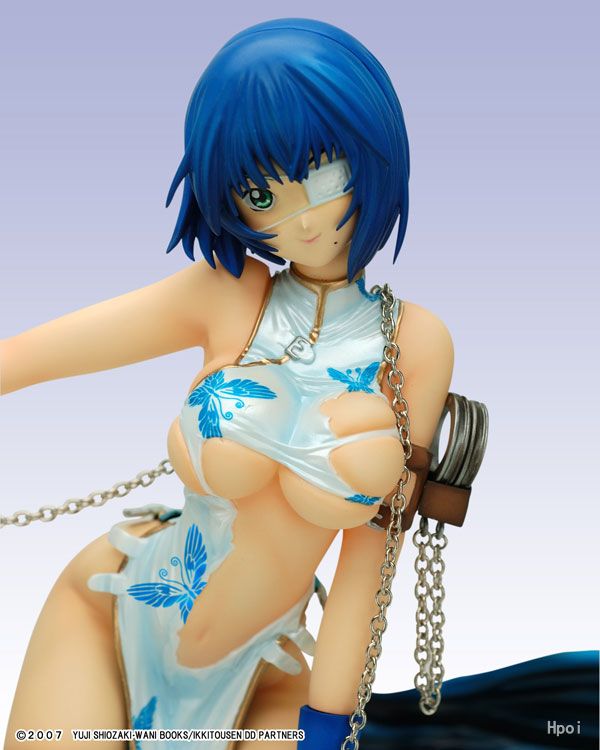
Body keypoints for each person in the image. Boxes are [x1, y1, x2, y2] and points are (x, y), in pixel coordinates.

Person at [2, 18, 454, 750]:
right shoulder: (227, 294)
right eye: (260, 195)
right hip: (112, 613)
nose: (301, 220)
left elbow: (371, 564)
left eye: (323, 174)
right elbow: (30, 356)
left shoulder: (415, 345)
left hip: (264, 675)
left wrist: (329, 721)